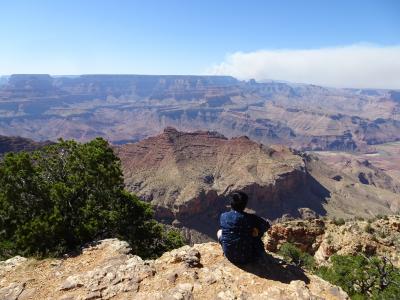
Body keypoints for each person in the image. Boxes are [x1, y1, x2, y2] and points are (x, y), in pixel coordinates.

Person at [217, 191, 270, 264]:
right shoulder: (251, 218)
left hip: (229, 255)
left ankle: (228, 247)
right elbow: (266, 226)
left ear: (231, 203)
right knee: (255, 231)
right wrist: (256, 231)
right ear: (245, 205)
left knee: (220, 232)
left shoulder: (223, 216)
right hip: (248, 257)